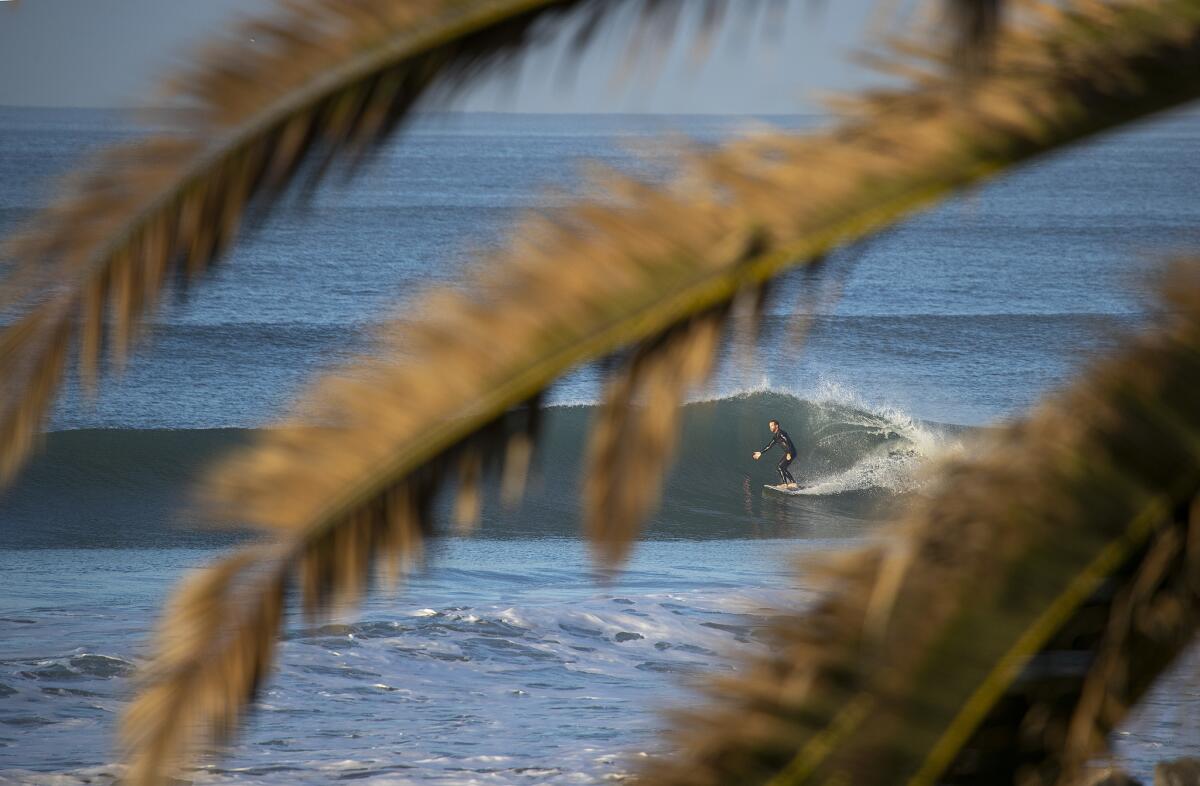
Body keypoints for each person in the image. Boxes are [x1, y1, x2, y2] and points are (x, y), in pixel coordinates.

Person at [753, 419, 798, 488]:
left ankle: (785, 484)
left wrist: (789, 453)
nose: (770, 427)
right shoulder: (776, 436)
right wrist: (760, 453)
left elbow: (788, 442)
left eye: (771, 425)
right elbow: (769, 446)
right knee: (782, 467)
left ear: (776, 426)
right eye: (769, 426)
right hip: (790, 452)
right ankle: (793, 483)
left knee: (779, 467)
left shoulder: (781, 433)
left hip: (791, 452)